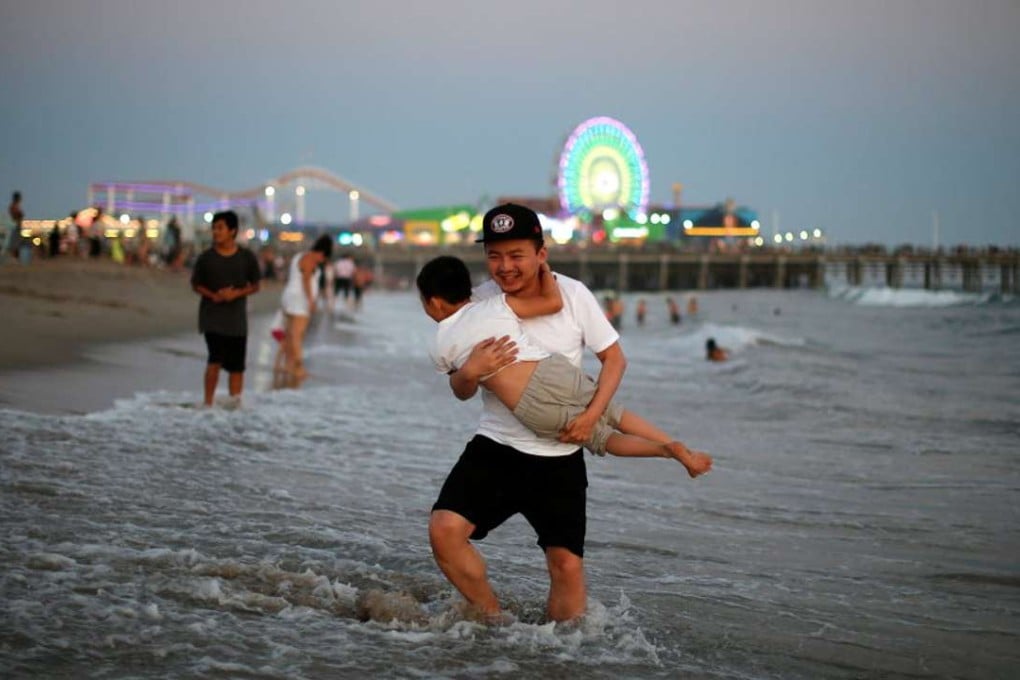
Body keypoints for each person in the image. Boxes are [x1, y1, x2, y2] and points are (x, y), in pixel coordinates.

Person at [427, 203, 710, 625]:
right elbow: (460, 390)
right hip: (497, 447)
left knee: (567, 566)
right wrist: (470, 371)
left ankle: (566, 657)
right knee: (444, 532)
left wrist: (588, 417)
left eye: (516, 254)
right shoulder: (481, 302)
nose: (505, 267)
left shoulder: (574, 296)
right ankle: (492, 622)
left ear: (541, 252)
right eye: (495, 255)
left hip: (560, 455)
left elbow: (614, 360)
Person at [417, 255, 711, 469]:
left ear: (434, 303)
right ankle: (675, 444)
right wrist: (542, 268)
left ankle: (663, 452)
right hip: (551, 370)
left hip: (528, 405)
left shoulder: (438, 343)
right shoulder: (496, 305)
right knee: (613, 413)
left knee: (601, 439)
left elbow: (461, 391)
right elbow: (552, 302)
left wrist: (471, 370)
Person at [190, 210, 262, 407]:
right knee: (214, 360)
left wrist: (235, 294)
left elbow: (255, 285)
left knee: (236, 367)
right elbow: (196, 284)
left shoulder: (246, 257)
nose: (215, 232)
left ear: (233, 231)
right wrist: (213, 295)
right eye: (214, 228)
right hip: (211, 317)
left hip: (237, 320)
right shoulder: (206, 258)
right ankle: (208, 404)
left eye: (220, 228)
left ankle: (234, 406)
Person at [279, 234, 332, 386]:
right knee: (297, 335)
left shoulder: (299, 257)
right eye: (324, 258)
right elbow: (306, 280)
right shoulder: (309, 260)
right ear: (322, 253)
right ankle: (298, 367)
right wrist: (310, 301)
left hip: (289, 298)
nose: (322, 261)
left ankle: (288, 365)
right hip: (299, 301)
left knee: (290, 334)